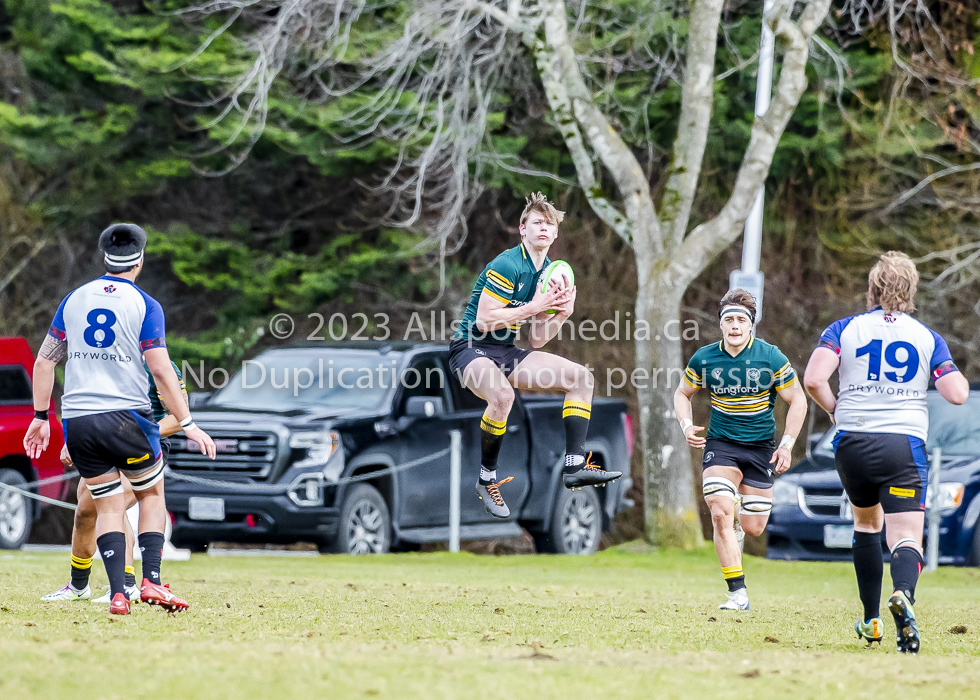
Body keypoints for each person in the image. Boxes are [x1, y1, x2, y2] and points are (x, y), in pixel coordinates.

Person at [24, 223, 215, 615]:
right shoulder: (145, 305)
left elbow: (45, 359)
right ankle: (151, 583)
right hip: (126, 419)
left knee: (105, 507)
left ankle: (117, 592)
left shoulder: (74, 299)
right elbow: (160, 370)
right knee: (151, 494)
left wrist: (41, 417)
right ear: (140, 261)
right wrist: (190, 422)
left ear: (103, 257)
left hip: (79, 420)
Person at [803, 251, 968, 653]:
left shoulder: (844, 328)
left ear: (872, 289)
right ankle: (904, 596)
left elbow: (813, 379)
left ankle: (871, 619)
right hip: (902, 443)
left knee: (865, 524)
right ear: (911, 290)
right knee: (907, 535)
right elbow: (958, 394)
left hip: (853, 442)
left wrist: (834, 408)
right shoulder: (927, 337)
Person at [448, 193, 621, 518]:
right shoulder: (508, 263)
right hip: (470, 347)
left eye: (549, 223)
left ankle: (574, 466)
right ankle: (487, 479)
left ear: (555, 233)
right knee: (501, 396)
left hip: (506, 350)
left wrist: (560, 315)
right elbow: (484, 321)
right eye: (537, 222)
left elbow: (538, 340)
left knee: (581, 378)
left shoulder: (550, 275)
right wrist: (534, 307)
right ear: (522, 229)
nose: (544, 227)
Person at [674, 289, 807, 611]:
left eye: (741, 320)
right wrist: (686, 426)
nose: (734, 325)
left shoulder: (771, 357)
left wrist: (787, 445)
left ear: (751, 326)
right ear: (721, 325)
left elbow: (798, 399)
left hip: (761, 449)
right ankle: (738, 593)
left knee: (752, 526)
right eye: (728, 319)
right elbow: (682, 393)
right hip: (721, 445)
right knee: (720, 510)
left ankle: (737, 520)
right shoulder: (704, 358)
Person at [41, 362, 187, 604]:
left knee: (112, 504)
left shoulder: (159, 364)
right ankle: (78, 586)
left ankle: (126, 585)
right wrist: (76, 438)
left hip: (146, 448)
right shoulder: (107, 359)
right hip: (104, 442)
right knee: (84, 512)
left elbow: (179, 419)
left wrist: (136, 434)